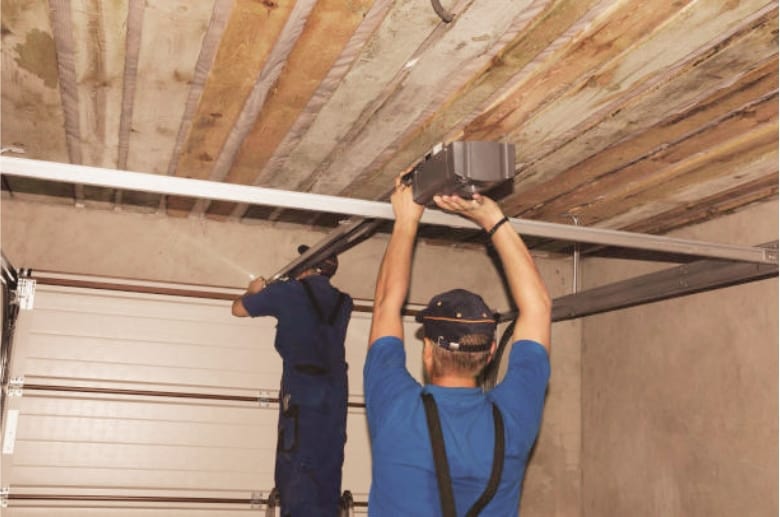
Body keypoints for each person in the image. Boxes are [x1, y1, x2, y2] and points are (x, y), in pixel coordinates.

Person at [364, 177, 552, 516]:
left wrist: (407, 219)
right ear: (491, 352)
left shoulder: (397, 409)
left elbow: (385, 306)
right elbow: (537, 307)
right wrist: (493, 218)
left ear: (427, 351)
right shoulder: (512, 419)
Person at [232, 245, 353, 517]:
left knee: (297, 458)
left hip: (302, 386)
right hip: (335, 389)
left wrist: (253, 291)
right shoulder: (344, 302)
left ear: (308, 267)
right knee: (328, 457)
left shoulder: (288, 292)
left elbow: (238, 309)